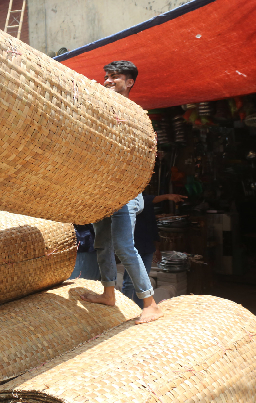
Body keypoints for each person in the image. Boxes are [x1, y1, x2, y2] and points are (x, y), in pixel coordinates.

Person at [81, 60, 162, 324]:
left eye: (115, 77)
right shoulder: (106, 109)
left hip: (125, 193)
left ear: (129, 82)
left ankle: (150, 303)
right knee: (103, 245)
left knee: (125, 247)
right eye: (106, 76)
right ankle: (108, 294)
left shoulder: (136, 114)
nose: (107, 80)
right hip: (104, 190)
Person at [124, 192, 186, 307]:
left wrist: (157, 249)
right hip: (133, 248)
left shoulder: (147, 206)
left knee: (143, 280)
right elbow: (151, 199)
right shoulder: (131, 202)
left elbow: (153, 229)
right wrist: (167, 196)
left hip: (147, 247)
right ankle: (124, 307)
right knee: (129, 281)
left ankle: (139, 308)